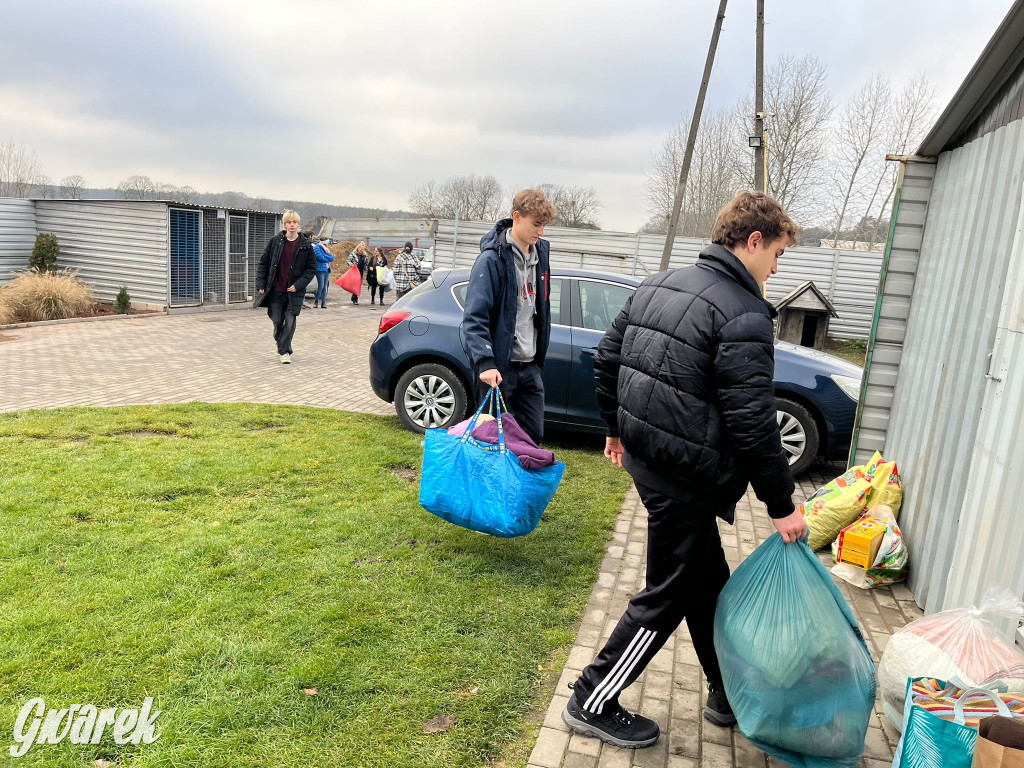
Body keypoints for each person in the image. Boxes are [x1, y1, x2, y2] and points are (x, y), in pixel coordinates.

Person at [560, 190, 810, 749]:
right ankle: (590, 698)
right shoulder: (744, 313)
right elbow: (752, 422)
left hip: (654, 465)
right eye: (778, 254)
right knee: (669, 593)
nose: (776, 266)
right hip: (684, 481)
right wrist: (782, 505)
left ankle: (727, 689)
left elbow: (606, 357)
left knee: (707, 586)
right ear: (752, 242)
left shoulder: (660, 283)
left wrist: (616, 428)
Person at [460, 189, 557, 445]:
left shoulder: (541, 256)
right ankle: (487, 485)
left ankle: (516, 486)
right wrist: (485, 362)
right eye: (536, 224)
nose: (541, 232)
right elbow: (474, 317)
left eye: (544, 225)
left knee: (532, 437)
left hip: (530, 367)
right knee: (490, 440)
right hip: (498, 368)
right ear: (517, 216)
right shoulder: (491, 260)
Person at [254, 209, 317, 364]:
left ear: (298, 224)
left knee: (289, 322)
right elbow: (264, 263)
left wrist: (298, 285)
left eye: (294, 222)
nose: (292, 225)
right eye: (289, 222)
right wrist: (261, 284)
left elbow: (311, 269)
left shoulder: (306, 245)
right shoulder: (275, 241)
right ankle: (281, 342)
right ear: (284, 224)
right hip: (275, 290)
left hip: (293, 292)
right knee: (277, 320)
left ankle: (284, 352)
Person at [312, 239, 334, 308]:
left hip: (326, 269)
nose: (328, 244)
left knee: (325, 287)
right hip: (320, 269)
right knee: (320, 287)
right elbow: (319, 257)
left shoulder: (326, 249)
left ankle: (323, 302)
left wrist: (324, 256)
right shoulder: (317, 247)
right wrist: (327, 258)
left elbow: (332, 257)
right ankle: (316, 302)